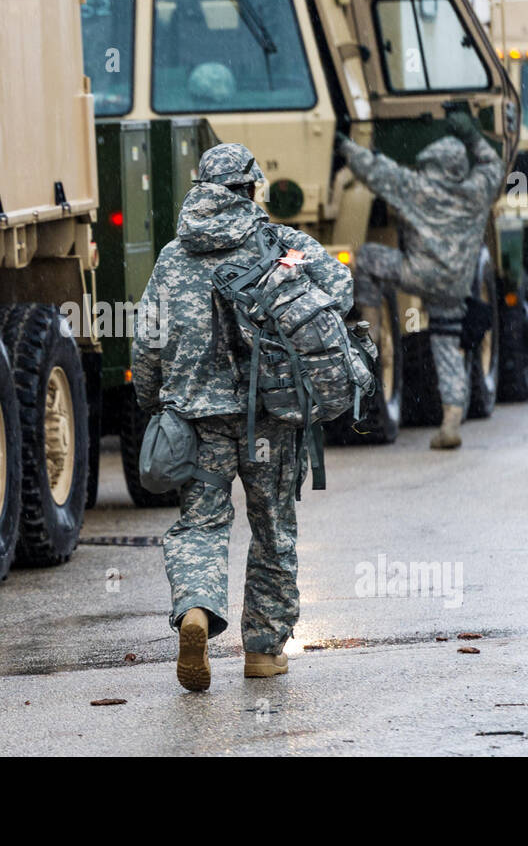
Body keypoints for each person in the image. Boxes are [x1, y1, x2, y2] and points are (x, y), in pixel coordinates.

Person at [132, 143, 354, 692]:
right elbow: (342, 291)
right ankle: (263, 651)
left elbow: (147, 341)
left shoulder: (172, 255)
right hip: (270, 417)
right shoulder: (280, 243)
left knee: (200, 525)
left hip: (197, 423)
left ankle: (196, 613)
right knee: (273, 529)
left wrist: (152, 397)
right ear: (252, 188)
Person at [335, 112, 504, 449]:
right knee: (446, 347)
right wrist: (472, 137)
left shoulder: (415, 188)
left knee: (367, 258)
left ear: (431, 164)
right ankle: (451, 422)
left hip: (416, 273)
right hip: (455, 287)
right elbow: (493, 166)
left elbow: (375, 171)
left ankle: (371, 328)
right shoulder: (476, 192)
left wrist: (344, 145)